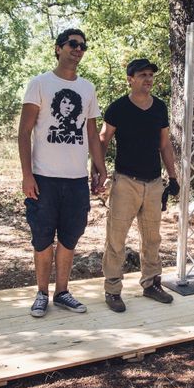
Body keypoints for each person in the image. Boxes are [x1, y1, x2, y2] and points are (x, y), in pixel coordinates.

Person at [18, 28, 107, 317]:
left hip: (76, 180)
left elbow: (92, 134)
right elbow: (24, 132)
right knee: (42, 237)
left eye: (83, 45)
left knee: (70, 237)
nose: (78, 49)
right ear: (58, 48)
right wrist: (27, 175)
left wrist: (99, 167)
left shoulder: (88, 88)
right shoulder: (40, 84)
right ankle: (42, 293)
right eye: (73, 44)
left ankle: (62, 292)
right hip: (44, 177)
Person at [95, 58, 180, 312]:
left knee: (152, 237)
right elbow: (103, 139)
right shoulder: (118, 108)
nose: (148, 79)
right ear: (130, 79)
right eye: (142, 75)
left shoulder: (160, 108)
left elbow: (164, 144)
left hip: (154, 182)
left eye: (151, 75)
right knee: (116, 238)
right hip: (125, 182)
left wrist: (173, 178)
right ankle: (112, 289)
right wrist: (97, 172)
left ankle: (151, 284)